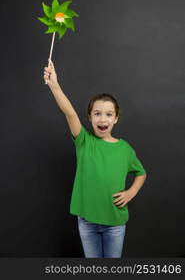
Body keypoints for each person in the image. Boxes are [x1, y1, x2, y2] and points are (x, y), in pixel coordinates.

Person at [43, 59, 147, 258]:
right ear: (89, 117)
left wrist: (131, 192)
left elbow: (141, 173)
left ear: (116, 118)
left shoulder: (124, 148)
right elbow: (70, 112)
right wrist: (54, 85)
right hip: (88, 222)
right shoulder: (84, 142)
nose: (103, 119)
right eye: (97, 114)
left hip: (115, 224)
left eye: (109, 114)